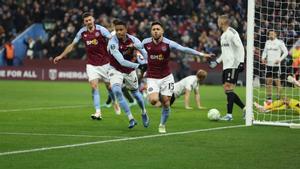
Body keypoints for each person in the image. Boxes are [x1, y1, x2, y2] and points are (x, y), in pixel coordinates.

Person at [142, 21, 213, 133]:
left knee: (166, 102)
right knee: (153, 101)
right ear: (151, 31)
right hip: (152, 76)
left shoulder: (168, 43)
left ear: (162, 31)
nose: (155, 31)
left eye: (158, 29)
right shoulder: (145, 43)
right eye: (153, 29)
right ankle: (150, 104)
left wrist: (201, 54)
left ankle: (162, 124)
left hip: (166, 77)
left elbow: (184, 49)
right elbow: (136, 47)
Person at [53, 12, 120, 120]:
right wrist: (61, 56)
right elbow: (72, 45)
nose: (88, 22)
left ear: (93, 19)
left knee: (109, 87)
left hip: (105, 63)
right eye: (86, 21)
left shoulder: (101, 30)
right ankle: (98, 112)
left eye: (90, 20)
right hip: (91, 64)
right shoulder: (82, 32)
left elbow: (113, 39)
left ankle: (114, 101)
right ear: (84, 22)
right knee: (94, 86)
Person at [107, 20, 149, 129]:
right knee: (116, 90)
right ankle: (131, 118)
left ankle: (144, 112)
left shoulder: (134, 40)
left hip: (129, 71)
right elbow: (121, 61)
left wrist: (147, 63)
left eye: (121, 30)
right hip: (115, 69)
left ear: (126, 29)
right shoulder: (113, 42)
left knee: (136, 95)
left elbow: (144, 52)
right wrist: (139, 66)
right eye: (117, 30)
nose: (119, 32)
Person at [209, 15, 245, 121]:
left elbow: (240, 47)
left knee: (229, 88)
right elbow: (225, 53)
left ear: (223, 22)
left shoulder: (232, 33)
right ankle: (245, 109)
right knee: (227, 90)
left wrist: (241, 62)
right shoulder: (223, 35)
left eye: (218, 20)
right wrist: (217, 61)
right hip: (226, 66)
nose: (217, 22)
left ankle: (229, 115)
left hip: (233, 64)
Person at [262, 30, 288, 100]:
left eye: (272, 34)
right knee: (268, 81)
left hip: (276, 65)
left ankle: (278, 96)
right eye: (270, 34)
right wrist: (263, 58)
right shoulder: (267, 42)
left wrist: (279, 59)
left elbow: (286, 52)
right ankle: (269, 97)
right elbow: (264, 51)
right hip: (268, 65)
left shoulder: (280, 42)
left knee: (277, 81)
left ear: (276, 34)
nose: (270, 35)